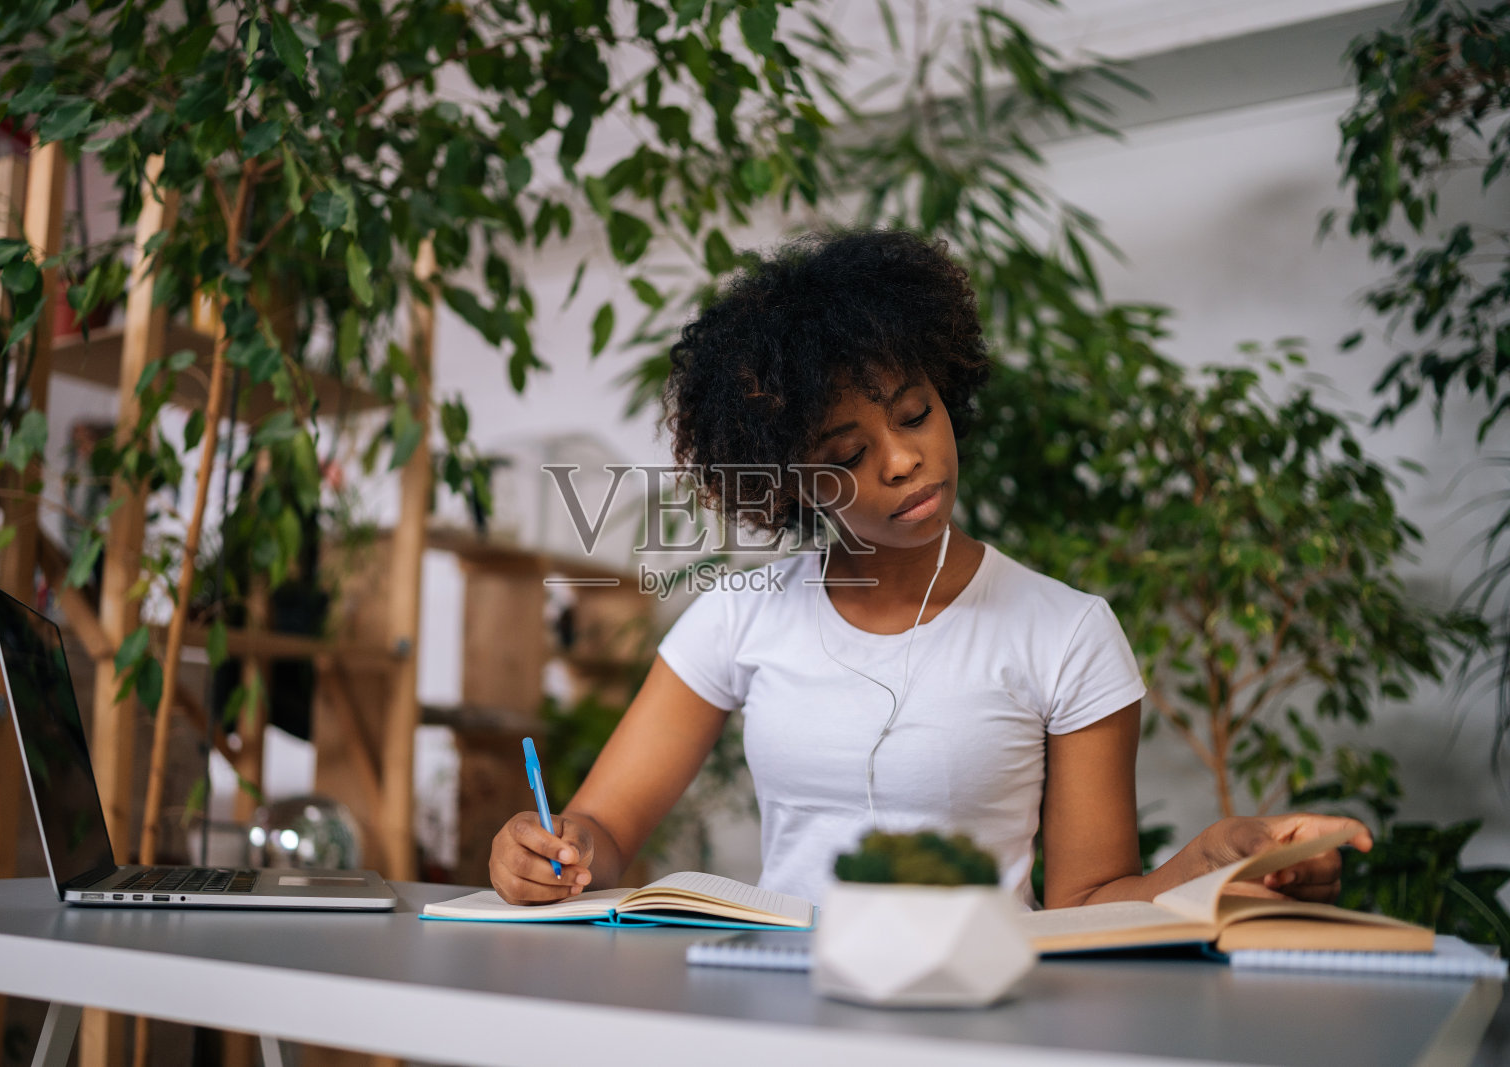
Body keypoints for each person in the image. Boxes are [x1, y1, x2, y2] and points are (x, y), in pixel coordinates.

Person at [489, 229, 1370, 909]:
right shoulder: (740, 615)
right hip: (783, 1013)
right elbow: (603, 828)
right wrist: (549, 851)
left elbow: (1090, 903)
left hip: (977, 1019)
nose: (904, 459)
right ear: (793, 482)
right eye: (848, 452)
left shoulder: (1067, 633)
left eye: (915, 413)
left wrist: (1209, 863)